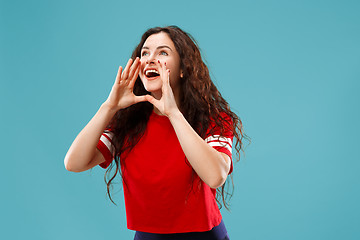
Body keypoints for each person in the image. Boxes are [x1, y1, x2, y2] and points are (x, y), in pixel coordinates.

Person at [64, 26, 247, 240]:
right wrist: (109, 106)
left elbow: (216, 176)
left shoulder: (214, 119)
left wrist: (173, 114)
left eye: (162, 52)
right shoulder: (127, 122)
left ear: (183, 69)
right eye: (145, 53)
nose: (150, 59)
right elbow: (73, 163)